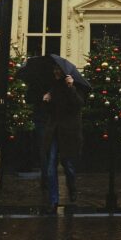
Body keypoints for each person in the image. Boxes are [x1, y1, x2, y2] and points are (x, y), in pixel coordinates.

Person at [41, 62, 84, 213]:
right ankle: (54, 200)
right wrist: (46, 100)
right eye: (54, 69)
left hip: (68, 132)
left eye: (58, 69)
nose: (55, 71)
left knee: (68, 166)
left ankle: (72, 188)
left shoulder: (74, 85)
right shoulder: (53, 87)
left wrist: (71, 87)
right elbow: (51, 112)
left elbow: (78, 104)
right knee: (51, 165)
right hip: (54, 131)